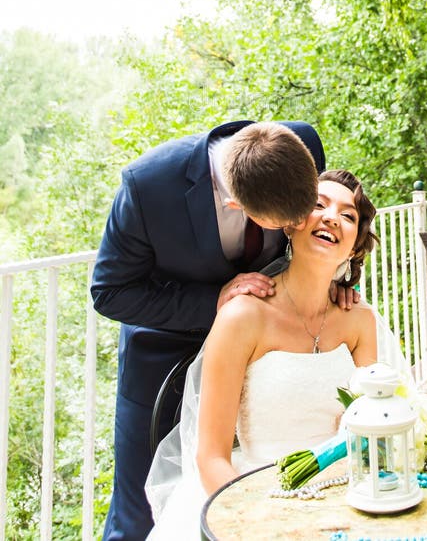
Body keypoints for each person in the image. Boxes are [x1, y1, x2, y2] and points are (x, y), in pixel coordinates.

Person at [91, 120, 328, 541]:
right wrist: (213, 301)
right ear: (235, 204)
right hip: (164, 357)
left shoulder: (300, 145)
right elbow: (110, 291)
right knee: (137, 517)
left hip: (266, 354)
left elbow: (325, 229)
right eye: (281, 225)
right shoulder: (147, 186)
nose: (294, 230)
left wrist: (339, 284)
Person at [145, 169, 409, 539]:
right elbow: (211, 458)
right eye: (318, 205)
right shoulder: (242, 316)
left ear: (353, 246)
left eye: (348, 216)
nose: (332, 217)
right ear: (290, 224)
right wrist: (266, 523)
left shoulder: (359, 321)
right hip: (257, 499)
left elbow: (375, 433)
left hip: (347, 500)